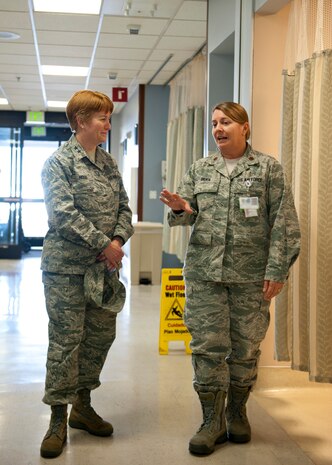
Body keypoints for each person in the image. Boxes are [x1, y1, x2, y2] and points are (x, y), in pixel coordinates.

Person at [160, 101, 300, 455]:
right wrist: (180, 208)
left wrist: (276, 270)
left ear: (245, 128)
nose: (218, 129)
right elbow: (185, 213)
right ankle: (211, 420)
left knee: (245, 348)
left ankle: (237, 411)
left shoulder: (268, 169)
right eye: (214, 123)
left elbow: (283, 223)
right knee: (208, 348)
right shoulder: (200, 169)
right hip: (205, 273)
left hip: (251, 277)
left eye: (226, 122)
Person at [40, 90, 134, 458]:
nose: (108, 125)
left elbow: (125, 207)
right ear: (81, 121)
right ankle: (56, 419)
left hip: (103, 269)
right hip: (66, 270)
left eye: (109, 119)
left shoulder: (108, 163)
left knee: (98, 338)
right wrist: (104, 244)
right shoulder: (58, 164)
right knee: (66, 344)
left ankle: (82, 406)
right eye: (102, 119)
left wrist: (117, 238)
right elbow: (62, 214)